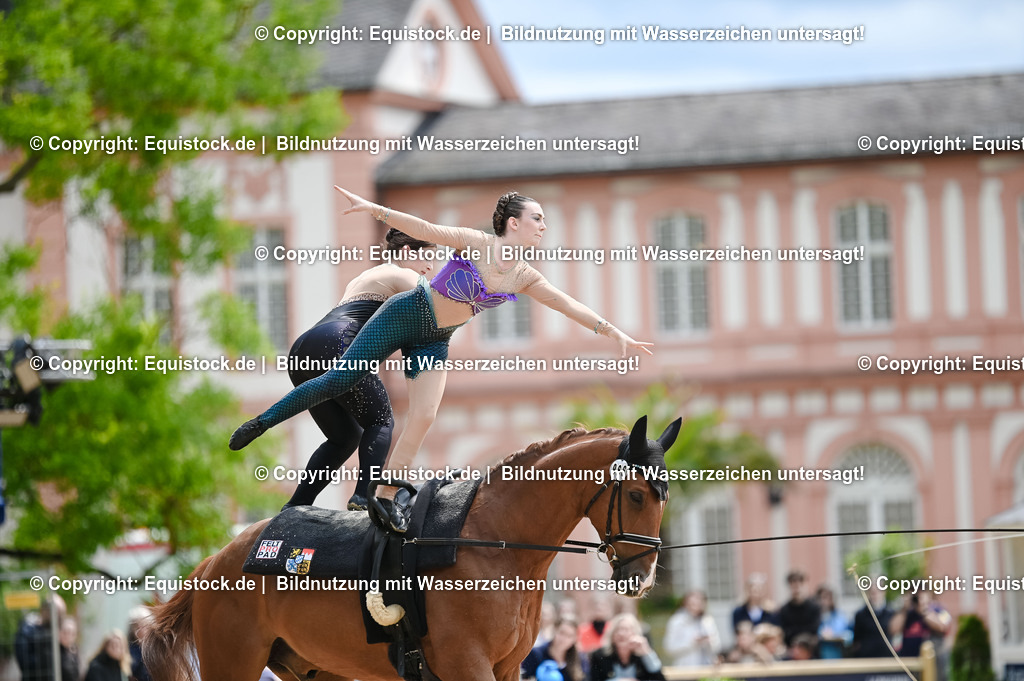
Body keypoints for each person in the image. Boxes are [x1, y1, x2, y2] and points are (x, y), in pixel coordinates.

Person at [231, 187, 653, 531]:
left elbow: (565, 304)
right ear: (513, 222)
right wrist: (375, 210)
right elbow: (425, 228)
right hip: (407, 313)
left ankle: (380, 495)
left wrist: (614, 332)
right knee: (340, 380)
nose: (543, 225)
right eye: (537, 218)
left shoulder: (525, 275)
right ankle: (261, 422)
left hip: (436, 338)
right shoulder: (476, 243)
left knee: (425, 416)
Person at [279, 228, 434, 511]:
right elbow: (436, 308)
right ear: (407, 252)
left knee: (344, 436)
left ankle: (297, 504)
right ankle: (364, 497)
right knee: (382, 420)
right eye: (427, 257)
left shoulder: (367, 277)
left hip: (303, 349)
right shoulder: (406, 275)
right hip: (336, 345)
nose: (429, 267)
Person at [588, 614, 665, 681]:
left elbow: (659, 678)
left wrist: (647, 653)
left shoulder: (642, 655)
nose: (621, 634)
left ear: (635, 633)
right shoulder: (600, 656)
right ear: (612, 635)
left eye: (626, 630)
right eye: (617, 630)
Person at [14, 594, 66, 681]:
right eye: (57, 614)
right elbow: (25, 664)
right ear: (44, 611)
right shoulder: (27, 632)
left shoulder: (56, 634)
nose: (58, 619)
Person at [663, 590, 720, 667]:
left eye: (699, 603)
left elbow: (717, 646)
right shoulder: (677, 621)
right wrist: (692, 643)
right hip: (685, 669)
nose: (695, 607)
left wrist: (709, 642)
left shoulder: (707, 620)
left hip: (706, 668)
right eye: (692, 604)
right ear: (685, 604)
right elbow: (669, 648)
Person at [522, 617, 587, 681]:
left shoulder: (580, 660)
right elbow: (524, 677)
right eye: (562, 633)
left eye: (569, 636)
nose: (564, 639)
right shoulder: (535, 654)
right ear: (555, 630)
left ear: (574, 639)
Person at [850, 581, 894, 658]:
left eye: (878, 591)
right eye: (872, 592)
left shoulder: (891, 614)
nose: (875, 595)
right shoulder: (860, 615)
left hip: (886, 658)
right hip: (866, 658)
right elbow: (856, 641)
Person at [778, 570, 820, 648]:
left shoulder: (814, 607)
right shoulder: (784, 610)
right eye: (793, 586)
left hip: (810, 649)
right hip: (791, 649)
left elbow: (814, 630)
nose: (797, 589)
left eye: (799, 585)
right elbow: (784, 632)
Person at [816, 585, 851, 659]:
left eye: (826, 598)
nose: (823, 601)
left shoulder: (840, 616)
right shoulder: (816, 615)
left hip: (837, 654)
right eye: (821, 598)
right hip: (820, 655)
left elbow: (848, 634)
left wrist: (833, 634)